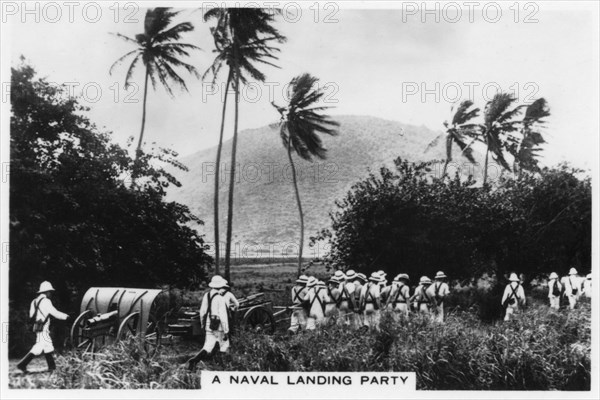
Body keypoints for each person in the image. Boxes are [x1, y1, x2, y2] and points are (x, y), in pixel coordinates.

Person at [17, 281, 69, 374]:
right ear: (47, 292)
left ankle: (51, 367)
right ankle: (22, 364)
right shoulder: (46, 301)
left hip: (37, 326)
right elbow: (55, 313)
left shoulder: (34, 302)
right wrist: (66, 316)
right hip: (43, 327)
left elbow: (31, 315)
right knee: (40, 346)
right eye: (50, 292)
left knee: (46, 345)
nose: (50, 294)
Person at [188, 275, 230, 370]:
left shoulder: (206, 295)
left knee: (208, 346)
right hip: (219, 326)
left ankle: (194, 361)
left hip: (208, 324)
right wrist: (226, 330)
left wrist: (203, 325)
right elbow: (223, 316)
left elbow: (202, 312)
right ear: (221, 286)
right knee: (224, 344)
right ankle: (222, 367)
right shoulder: (220, 298)